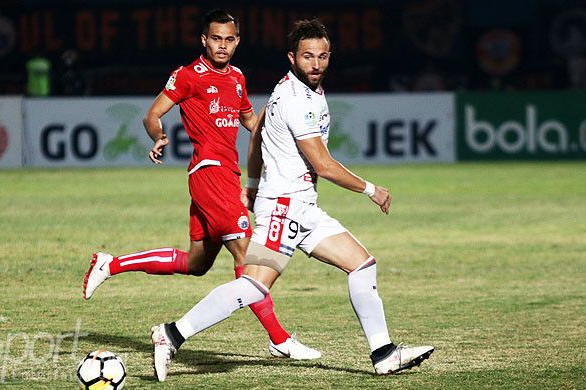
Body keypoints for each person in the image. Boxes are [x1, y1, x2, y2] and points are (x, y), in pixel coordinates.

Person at [149, 19, 434, 382]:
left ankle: (383, 353)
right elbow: (323, 165)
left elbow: (256, 137)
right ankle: (171, 334)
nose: (315, 64)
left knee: (362, 265)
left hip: (302, 209)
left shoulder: (295, 91)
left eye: (322, 56)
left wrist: (251, 184)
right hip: (284, 210)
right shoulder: (296, 100)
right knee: (251, 286)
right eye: (307, 57)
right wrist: (370, 189)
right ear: (292, 58)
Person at [82, 9, 319, 360]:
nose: (222, 46)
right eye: (216, 39)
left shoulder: (237, 77)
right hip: (210, 172)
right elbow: (152, 114)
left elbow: (249, 120)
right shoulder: (188, 76)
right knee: (251, 254)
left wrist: (278, 132)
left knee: (197, 263)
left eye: (229, 39)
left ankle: (110, 264)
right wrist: (159, 136)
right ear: (204, 40)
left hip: (226, 174)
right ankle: (280, 339)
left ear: (237, 41)